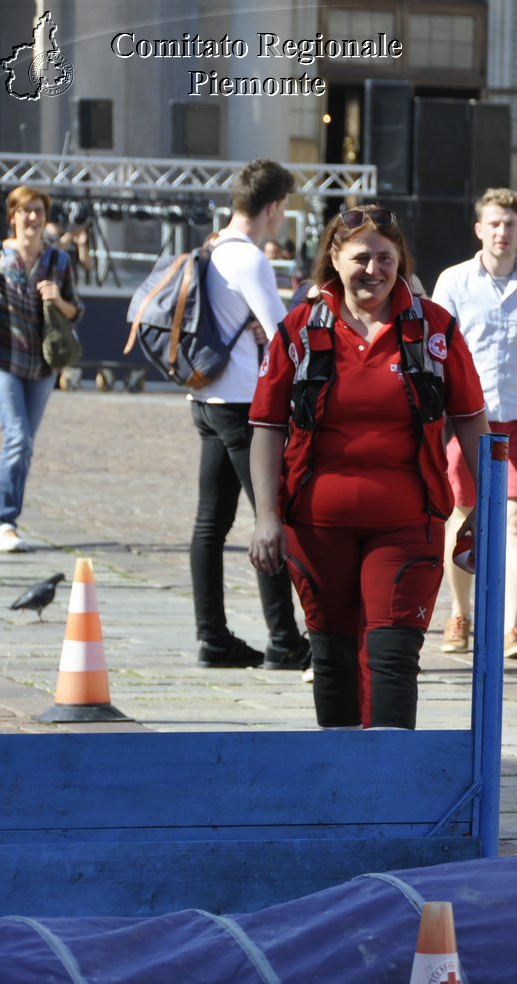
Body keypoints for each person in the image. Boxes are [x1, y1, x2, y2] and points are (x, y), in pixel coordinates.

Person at [248, 206, 490, 729]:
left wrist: (485, 507)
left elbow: (472, 421)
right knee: (331, 658)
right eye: (361, 257)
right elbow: (266, 427)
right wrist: (266, 516)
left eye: (386, 257)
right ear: (334, 259)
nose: (374, 269)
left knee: (392, 658)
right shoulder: (299, 328)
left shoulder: (434, 329)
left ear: (401, 260)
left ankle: (392, 790)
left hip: (407, 524)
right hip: (314, 528)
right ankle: (340, 790)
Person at [189, 159, 309, 671]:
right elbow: (284, 334)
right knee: (270, 519)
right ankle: (284, 639)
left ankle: (212, 638)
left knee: (209, 525)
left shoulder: (212, 247)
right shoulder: (251, 259)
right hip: (243, 404)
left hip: (205, 397)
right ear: (274, 206)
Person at [432, 188, 517, 661]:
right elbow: (438, 356)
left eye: (510, 225)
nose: (502, 232)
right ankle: (459, 614)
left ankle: (511, 627)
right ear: (479, 229)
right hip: (469, 418)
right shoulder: (454, 282)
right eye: (494, 224)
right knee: (463, 516)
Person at [0, 185, 81, 554]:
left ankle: (7, 520)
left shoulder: (58, 262)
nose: (33, 217)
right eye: (26, 211)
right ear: (13, 217)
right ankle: (4, 522)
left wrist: (58, 300)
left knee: (24, 445)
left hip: (41, 366)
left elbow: (76, 311)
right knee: (18, 438)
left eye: (39, 210)